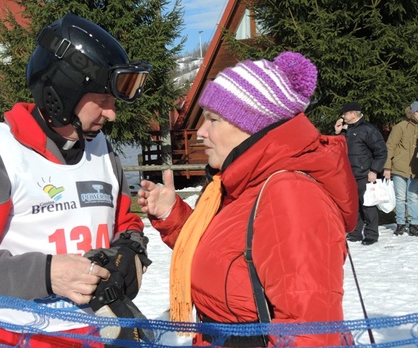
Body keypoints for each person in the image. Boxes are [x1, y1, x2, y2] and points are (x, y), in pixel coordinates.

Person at [0, 13, 153, 347]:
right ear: (64, 95)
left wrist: (129, 249)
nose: (112, 112)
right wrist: (45, 274)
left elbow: (125, 220)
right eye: (102, 101)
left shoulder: (101, 149)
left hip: (105, 333)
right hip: (28, 336)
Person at [138, 52, 358, 346]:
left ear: (252, 128)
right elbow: (224, 257)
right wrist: (173, 215)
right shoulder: (239, 185)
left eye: (213, 120)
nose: (201, 132)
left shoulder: (291, 195)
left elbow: (310, 332)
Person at [334, 102, 388, 245]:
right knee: (354, 205)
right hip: (349, 174)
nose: (343, 116)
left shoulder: (368, 130)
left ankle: (371, 235)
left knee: (368, 205)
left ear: (353, 114)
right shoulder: (347, 131)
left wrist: (374, 170)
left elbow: (381, 151)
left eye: (345, 113)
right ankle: (355, 232)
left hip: (365, 173)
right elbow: (335, 149)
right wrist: (337, 132)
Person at [383, 101, 418, 236]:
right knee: (400, 197)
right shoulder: (401, 127)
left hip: (415, 170)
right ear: (413, 113)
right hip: (399, 167)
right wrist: (387, 167)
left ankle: (414, 224)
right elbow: (390, 146)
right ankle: (400, 223)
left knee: (413, 197)